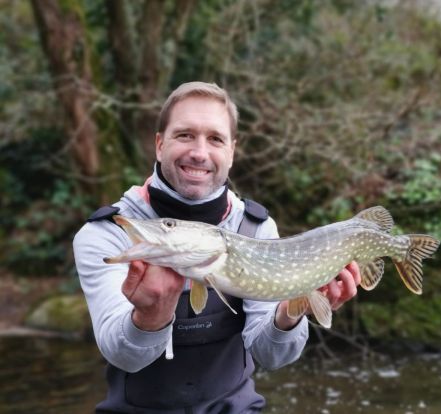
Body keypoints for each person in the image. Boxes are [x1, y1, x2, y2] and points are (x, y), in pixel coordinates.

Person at [73, 81, 361, 413]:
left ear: (231, 152)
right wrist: (150, 316)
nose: (199, 152)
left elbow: (273, 356)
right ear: (159, 144)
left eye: (215, 139)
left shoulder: (255, 227)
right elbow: (121, 354)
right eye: (184, 135)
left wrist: (289, 313)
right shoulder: (106, 234)